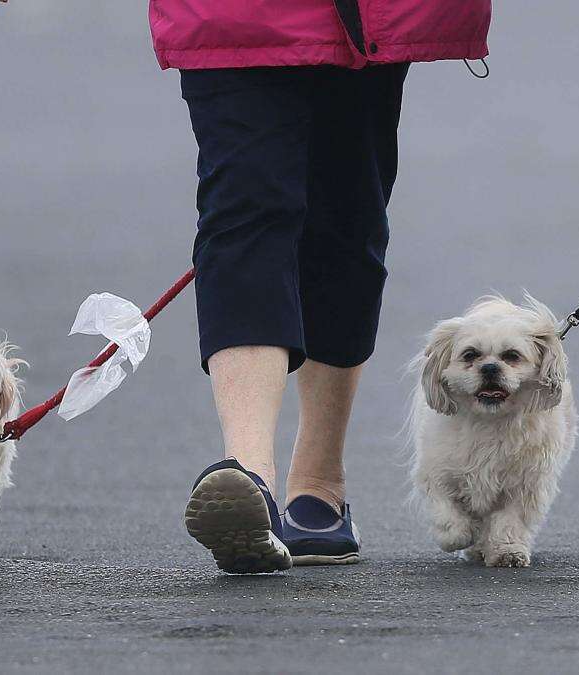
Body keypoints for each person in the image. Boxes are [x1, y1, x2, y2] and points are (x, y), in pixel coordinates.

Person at [150, 1, 492, 573]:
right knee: (242, 211)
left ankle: (317, 477)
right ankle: (249, 475)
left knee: (347, 220)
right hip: (234, 14)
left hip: (362, 16)